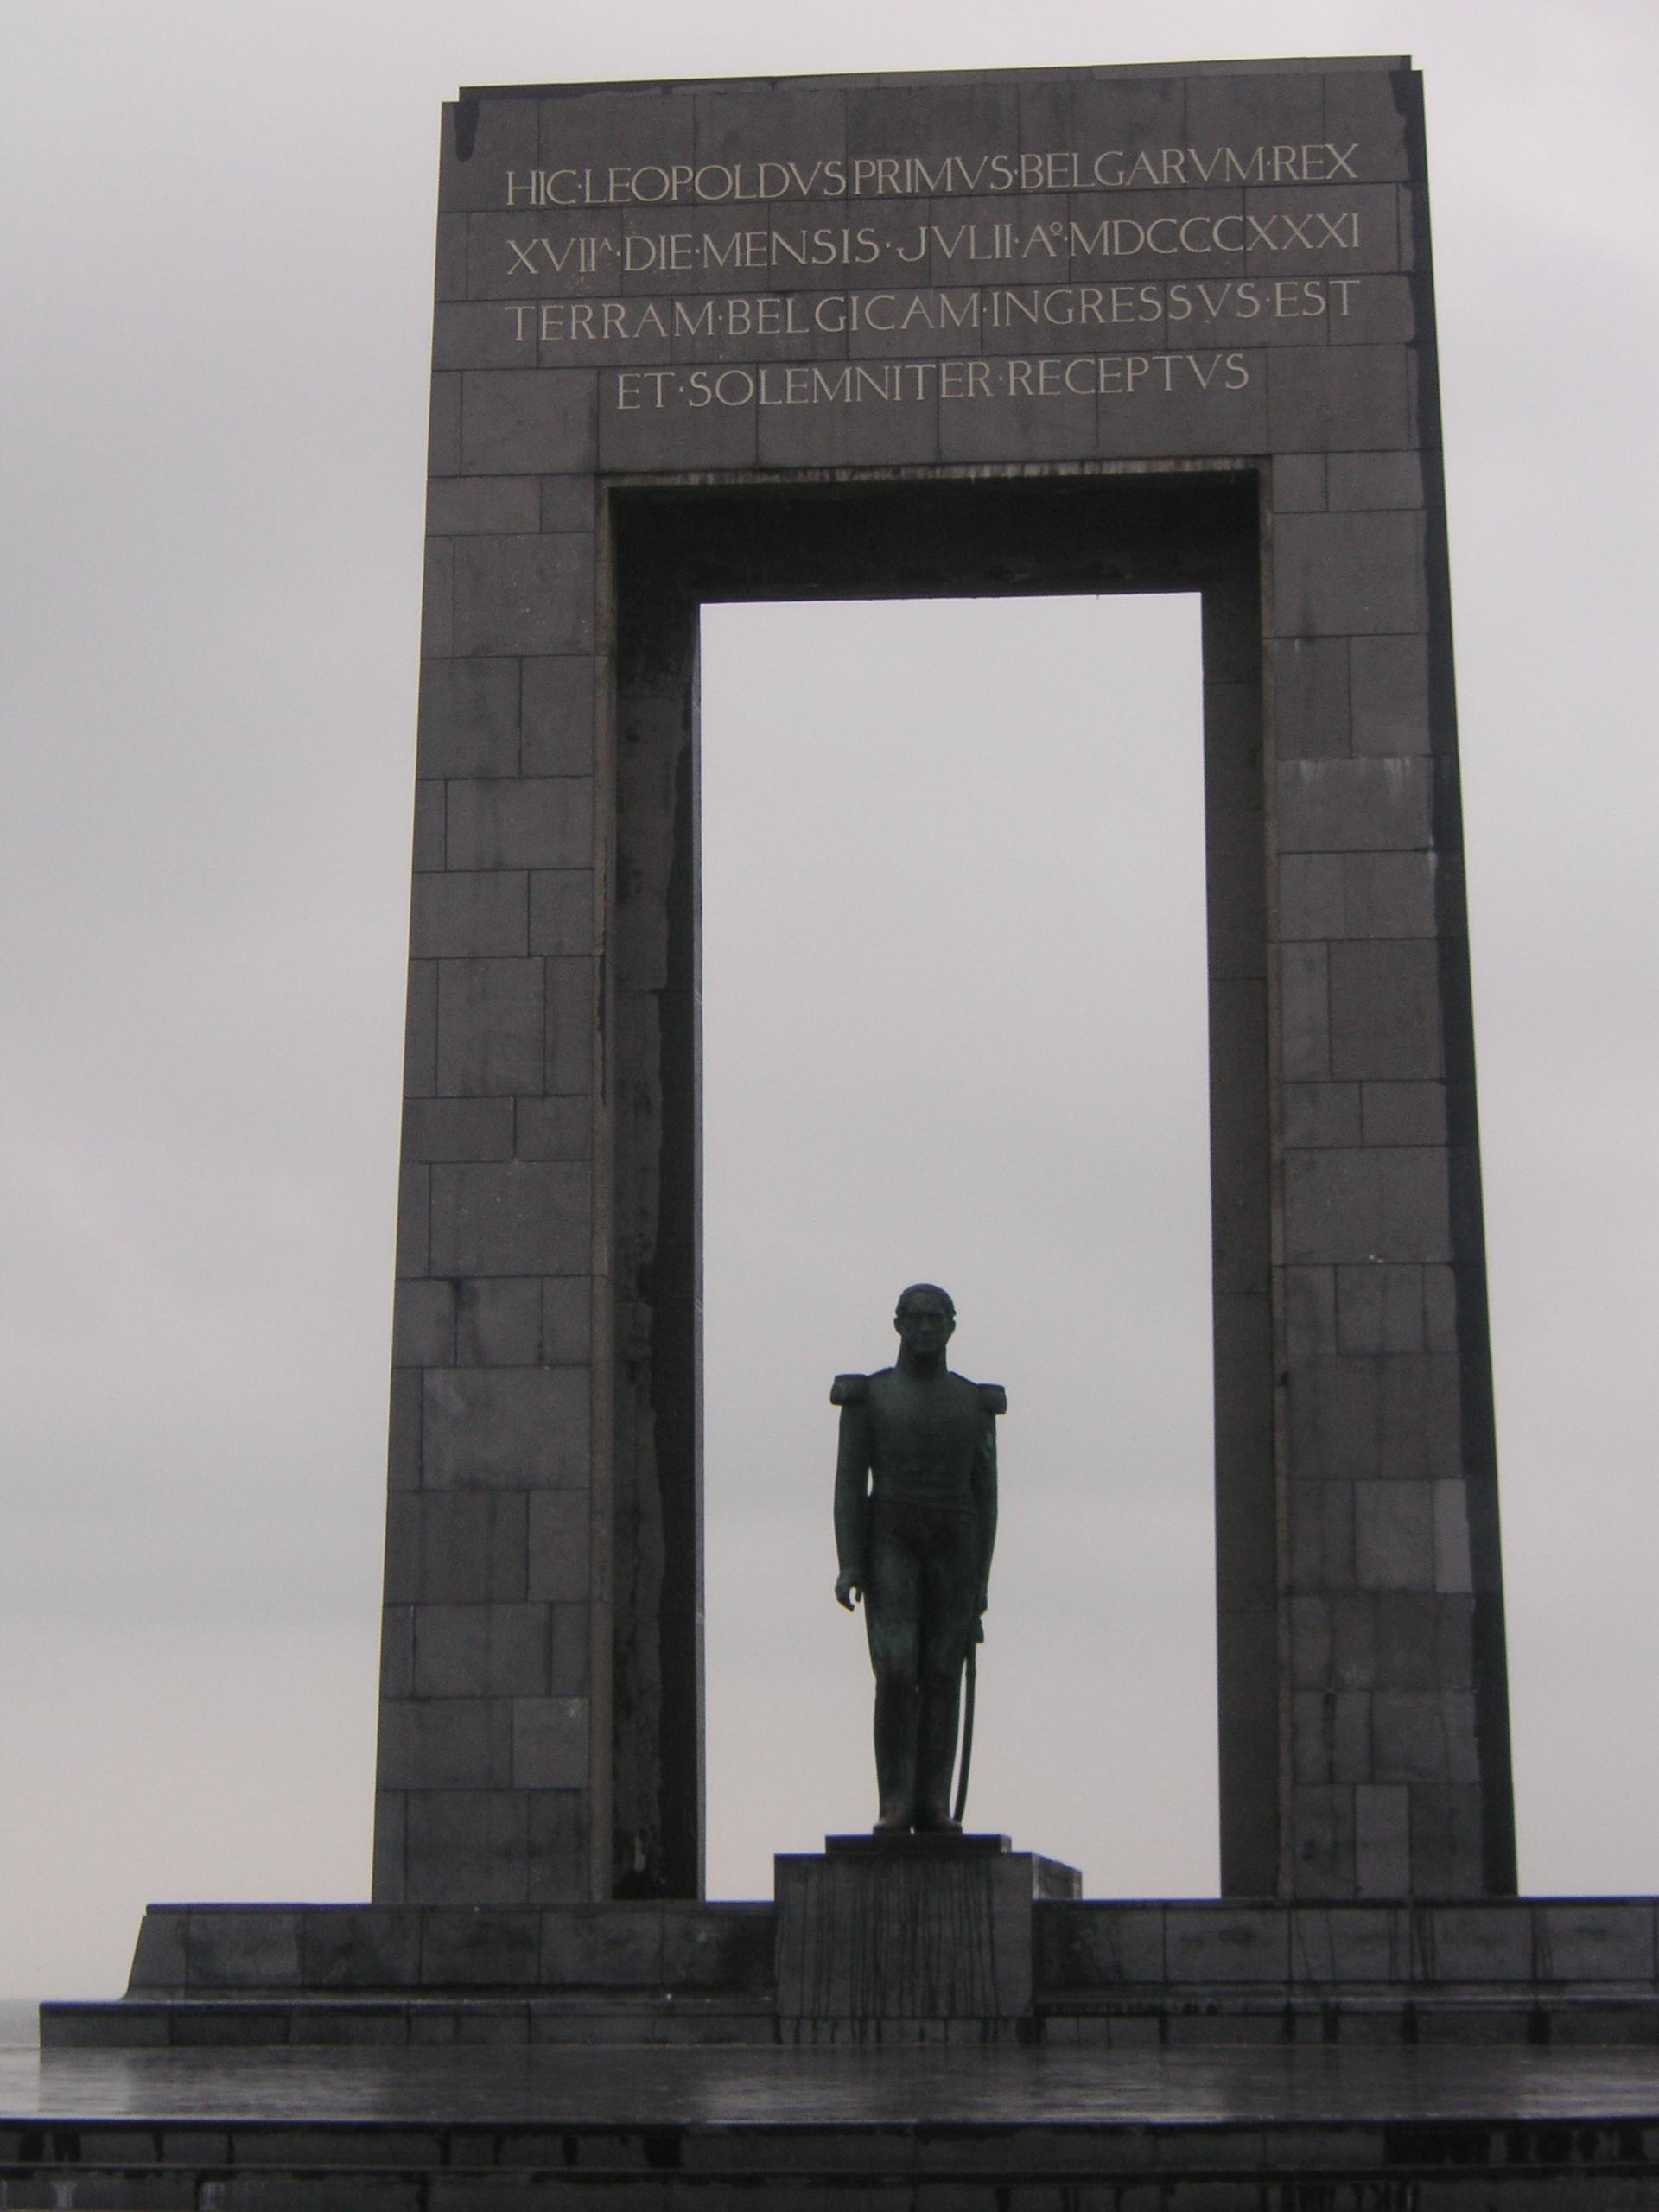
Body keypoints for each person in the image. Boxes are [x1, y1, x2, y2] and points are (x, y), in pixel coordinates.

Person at [831, 1284, 1003, 1833]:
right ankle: (894, 1799)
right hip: (892, 1536)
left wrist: (980, 1578)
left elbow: (987, 1493)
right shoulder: (871, 1396)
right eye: (916, 1319)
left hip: (955, 1537)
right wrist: (850, 1561)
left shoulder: (973, 1402)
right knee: (897, 1668)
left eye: (936, 1319)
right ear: (899, 1324)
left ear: (952, 1326)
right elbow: (848, 1482)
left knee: (942, 1671)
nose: (926, 1329)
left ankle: (934, 1799)